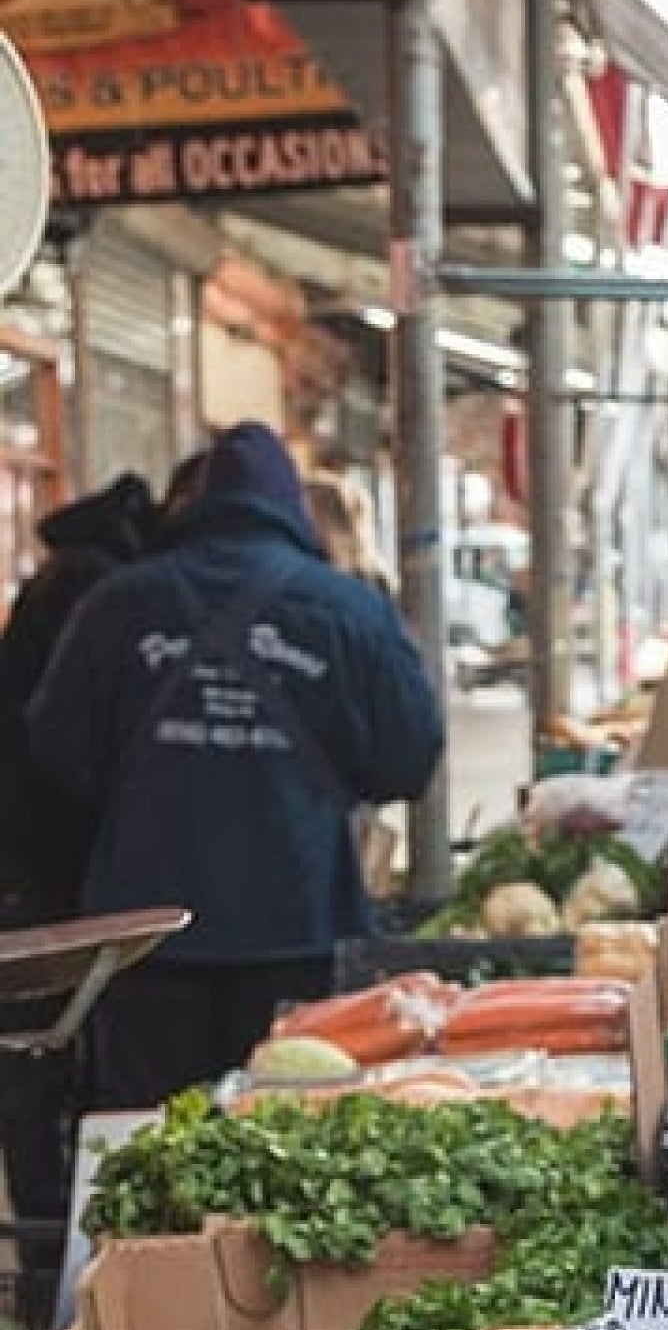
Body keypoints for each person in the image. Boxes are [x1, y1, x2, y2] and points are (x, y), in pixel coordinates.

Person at [28, 421, 445, 1109]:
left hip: (143, 944)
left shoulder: (118, 605)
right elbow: (408, 760)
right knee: (292, 1137)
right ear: (293, 509)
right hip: (300, 927)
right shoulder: (351, 611)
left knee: (142, 1144)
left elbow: (58, 755)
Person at [0, 470, 160, 1224]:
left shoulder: (62, 581)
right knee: (44, 1050)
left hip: (29, 854)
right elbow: (61, 745)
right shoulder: (100, 593)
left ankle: (42, 1226)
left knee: (37, 1054)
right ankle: (49, 1233)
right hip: (52, 861)